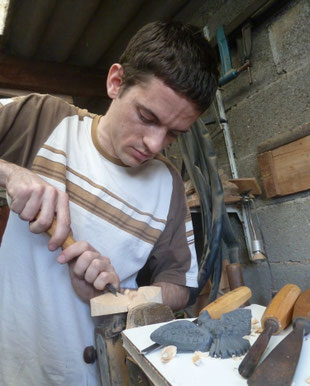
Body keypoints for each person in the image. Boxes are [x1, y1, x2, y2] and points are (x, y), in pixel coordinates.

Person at [0, 21, 218, 385]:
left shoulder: (168, 186)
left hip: (102, 372)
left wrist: (117, 296)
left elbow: (180, 286)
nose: (154, 143)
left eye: (173, 134)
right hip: (13, 362)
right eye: (148, 117)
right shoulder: (42, 120)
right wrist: (9, 174)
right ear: (116, 82)